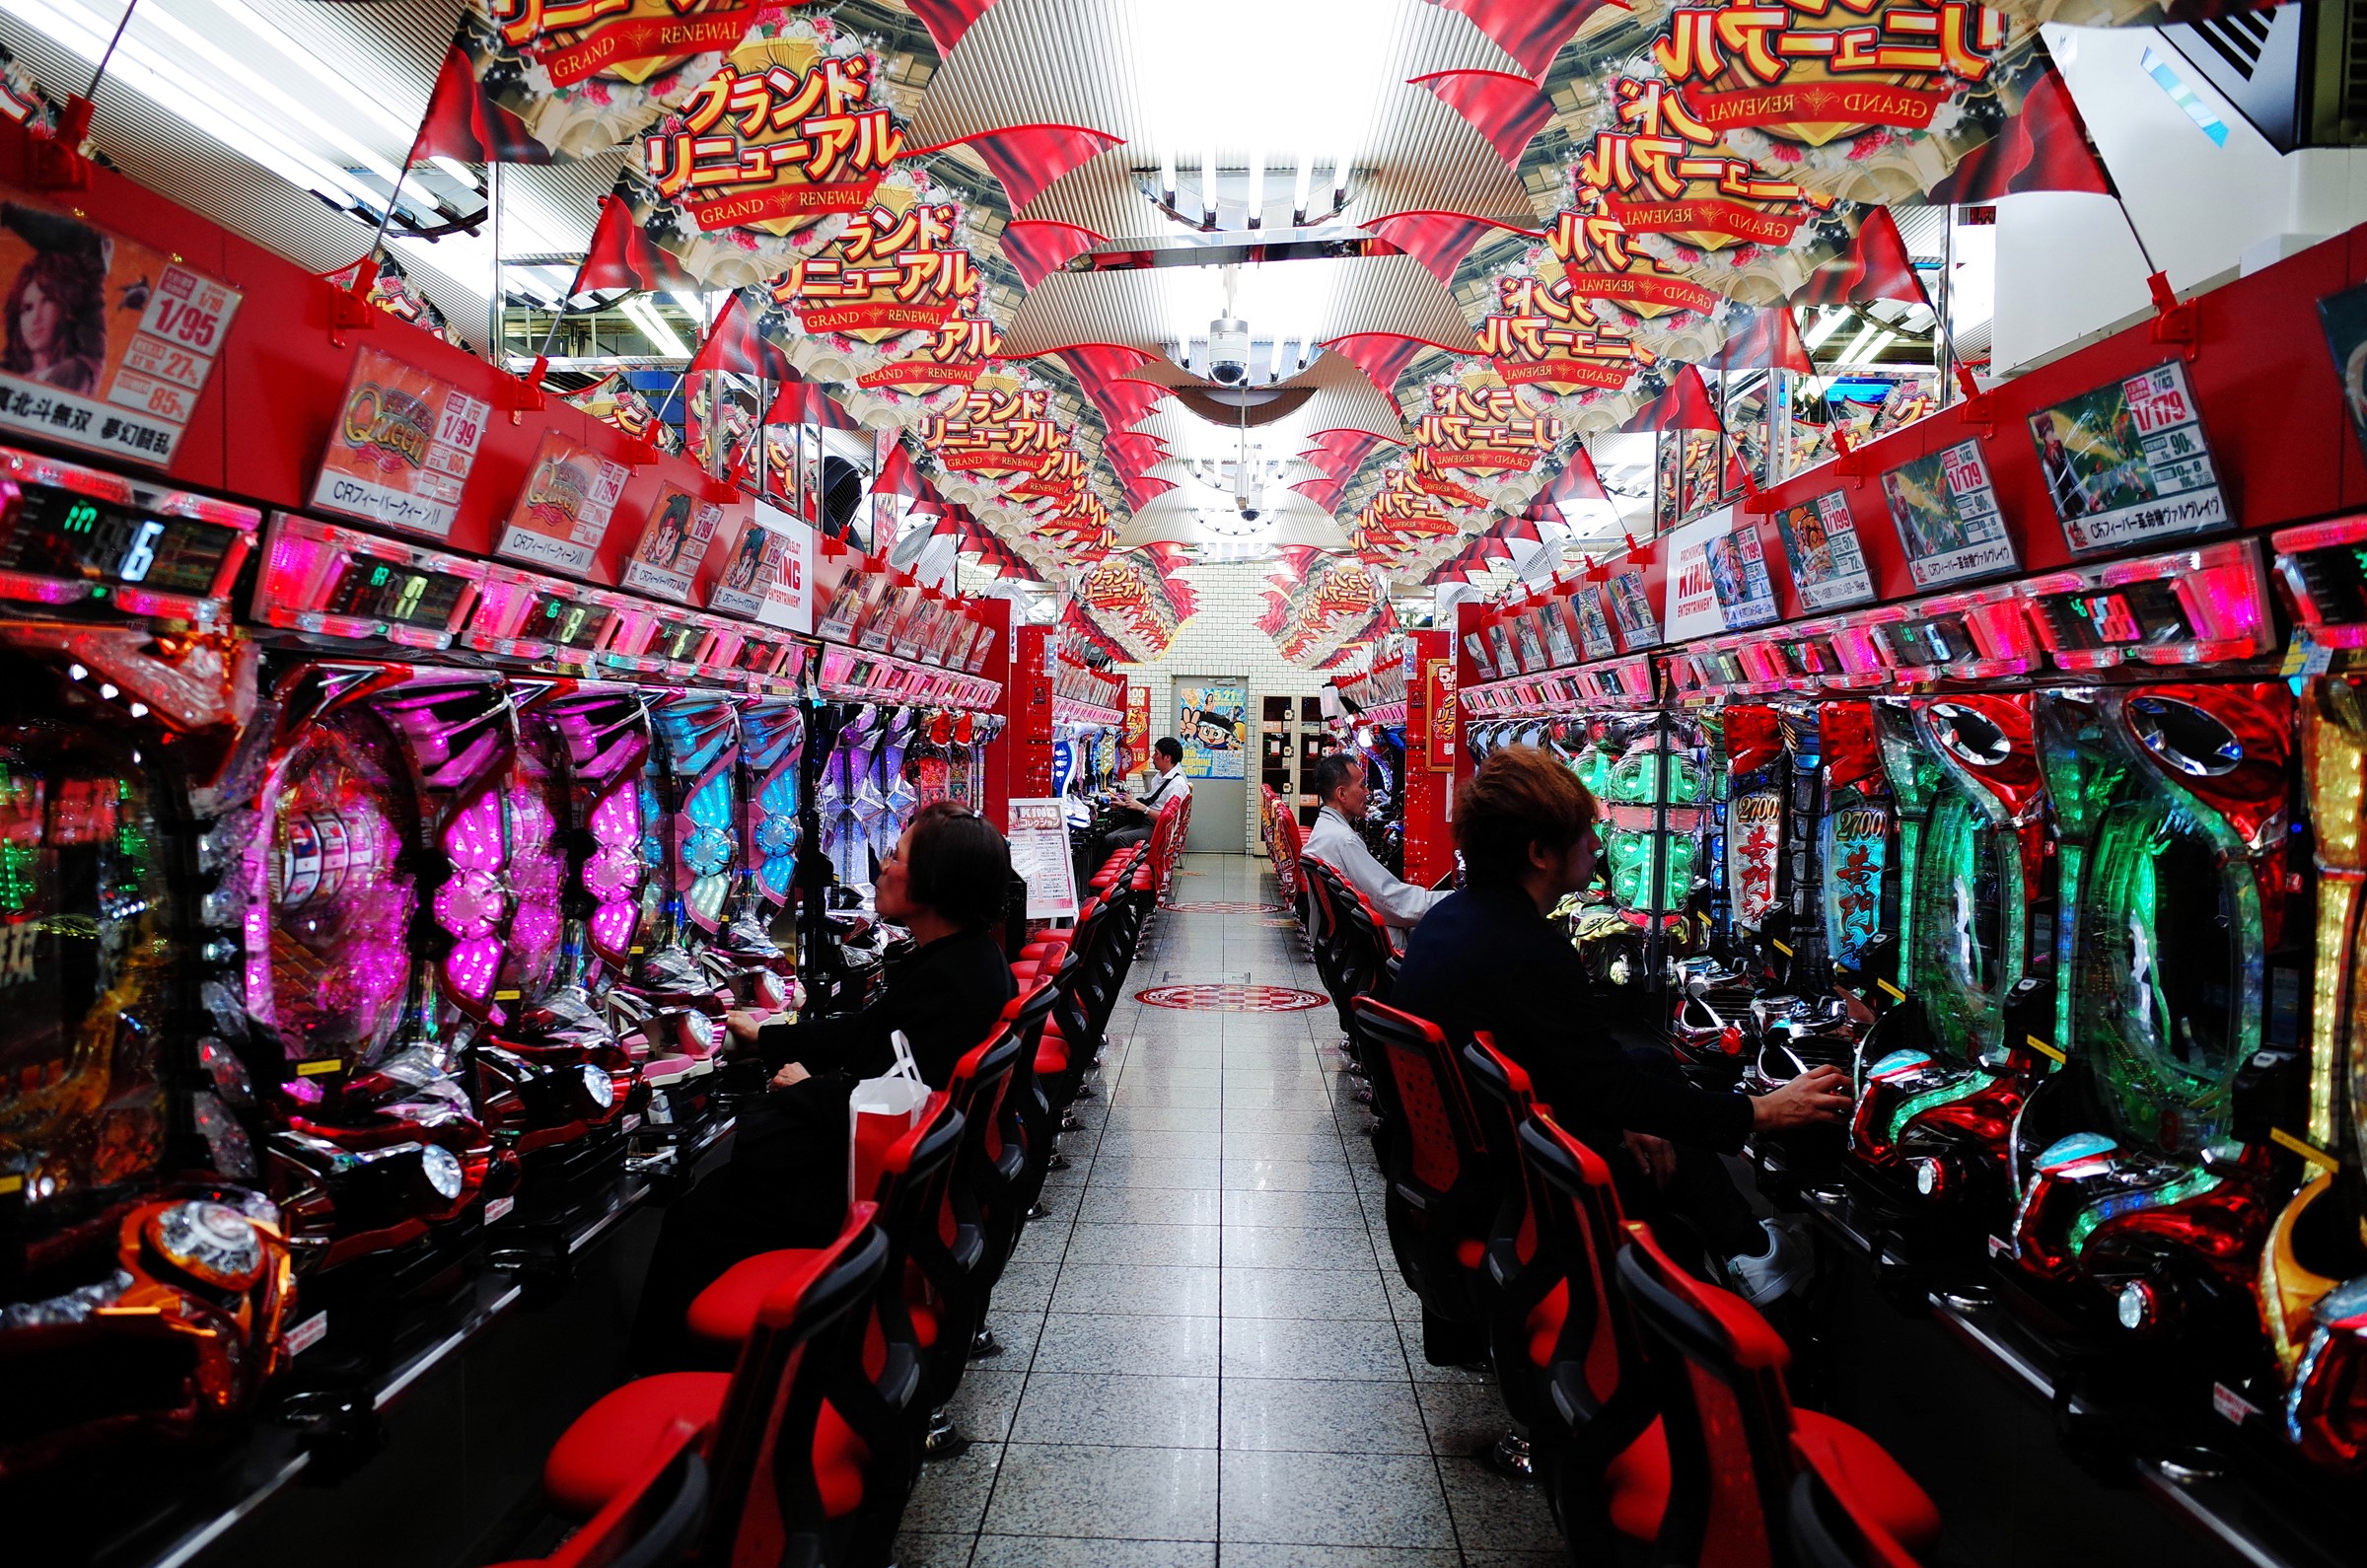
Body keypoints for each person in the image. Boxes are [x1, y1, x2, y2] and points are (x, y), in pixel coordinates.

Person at [1392, 746, 1850, 1309]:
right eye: (1585, 831)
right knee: (1649, 1101)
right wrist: (1761, 1111)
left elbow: (1588, 1074)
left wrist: (1622, 1110)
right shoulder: (1528, 951)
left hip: (1486, 1142)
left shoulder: (1452, 919)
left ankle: (1744, 1247)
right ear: (1539, 852)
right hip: (1530, 1170)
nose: (1597, 844)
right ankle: (1737, 1272)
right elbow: (1608, 1087)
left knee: (1653, 1065)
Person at [629, 801, 1017, 1371]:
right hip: (911, 1181)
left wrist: (803, 1083)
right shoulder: (966, 960)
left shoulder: (951, 980)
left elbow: (906, 1097)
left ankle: (675, 1380)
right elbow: (873, 1037)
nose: (880, 866)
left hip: (875, 1190)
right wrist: (774, 1039)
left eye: (895, 855)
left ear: (934, 882)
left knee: (702, 1209)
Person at [1301, 752, 1443, 932]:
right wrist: (1453, 900)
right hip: (1368, 942)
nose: (1368, 792)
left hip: (1349, 939)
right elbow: (1391, 901)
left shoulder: (1326, 829)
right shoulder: (1344, 841)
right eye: (1362, 785)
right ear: (1342, 794)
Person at [1096, 736, 1190, 861]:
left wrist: (1143, 808)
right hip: (1147, 821)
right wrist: (1127, 803)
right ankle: (1099, 879)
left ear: (1167, 758)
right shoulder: (1159, 777)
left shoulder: (1177, 784)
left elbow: (1169, 819)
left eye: (1156, 753)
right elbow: (1150, 800)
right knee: (1108, 839)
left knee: (1122, 839)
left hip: (1159, 828)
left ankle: (1124, 878)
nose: (1153, 757)